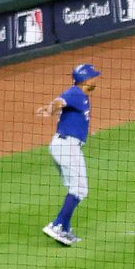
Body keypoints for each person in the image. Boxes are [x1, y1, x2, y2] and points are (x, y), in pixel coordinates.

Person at [39, 62, 99, 245]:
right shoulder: (76, 92)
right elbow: (59, 101)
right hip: (66, 146)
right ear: (84, 80)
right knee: (79, 189)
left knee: (75, 188)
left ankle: (64, 228)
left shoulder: (83, 96)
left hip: (65, 145)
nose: (96, 80)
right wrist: (50, 109)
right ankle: (57, 225)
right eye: (93, 77)